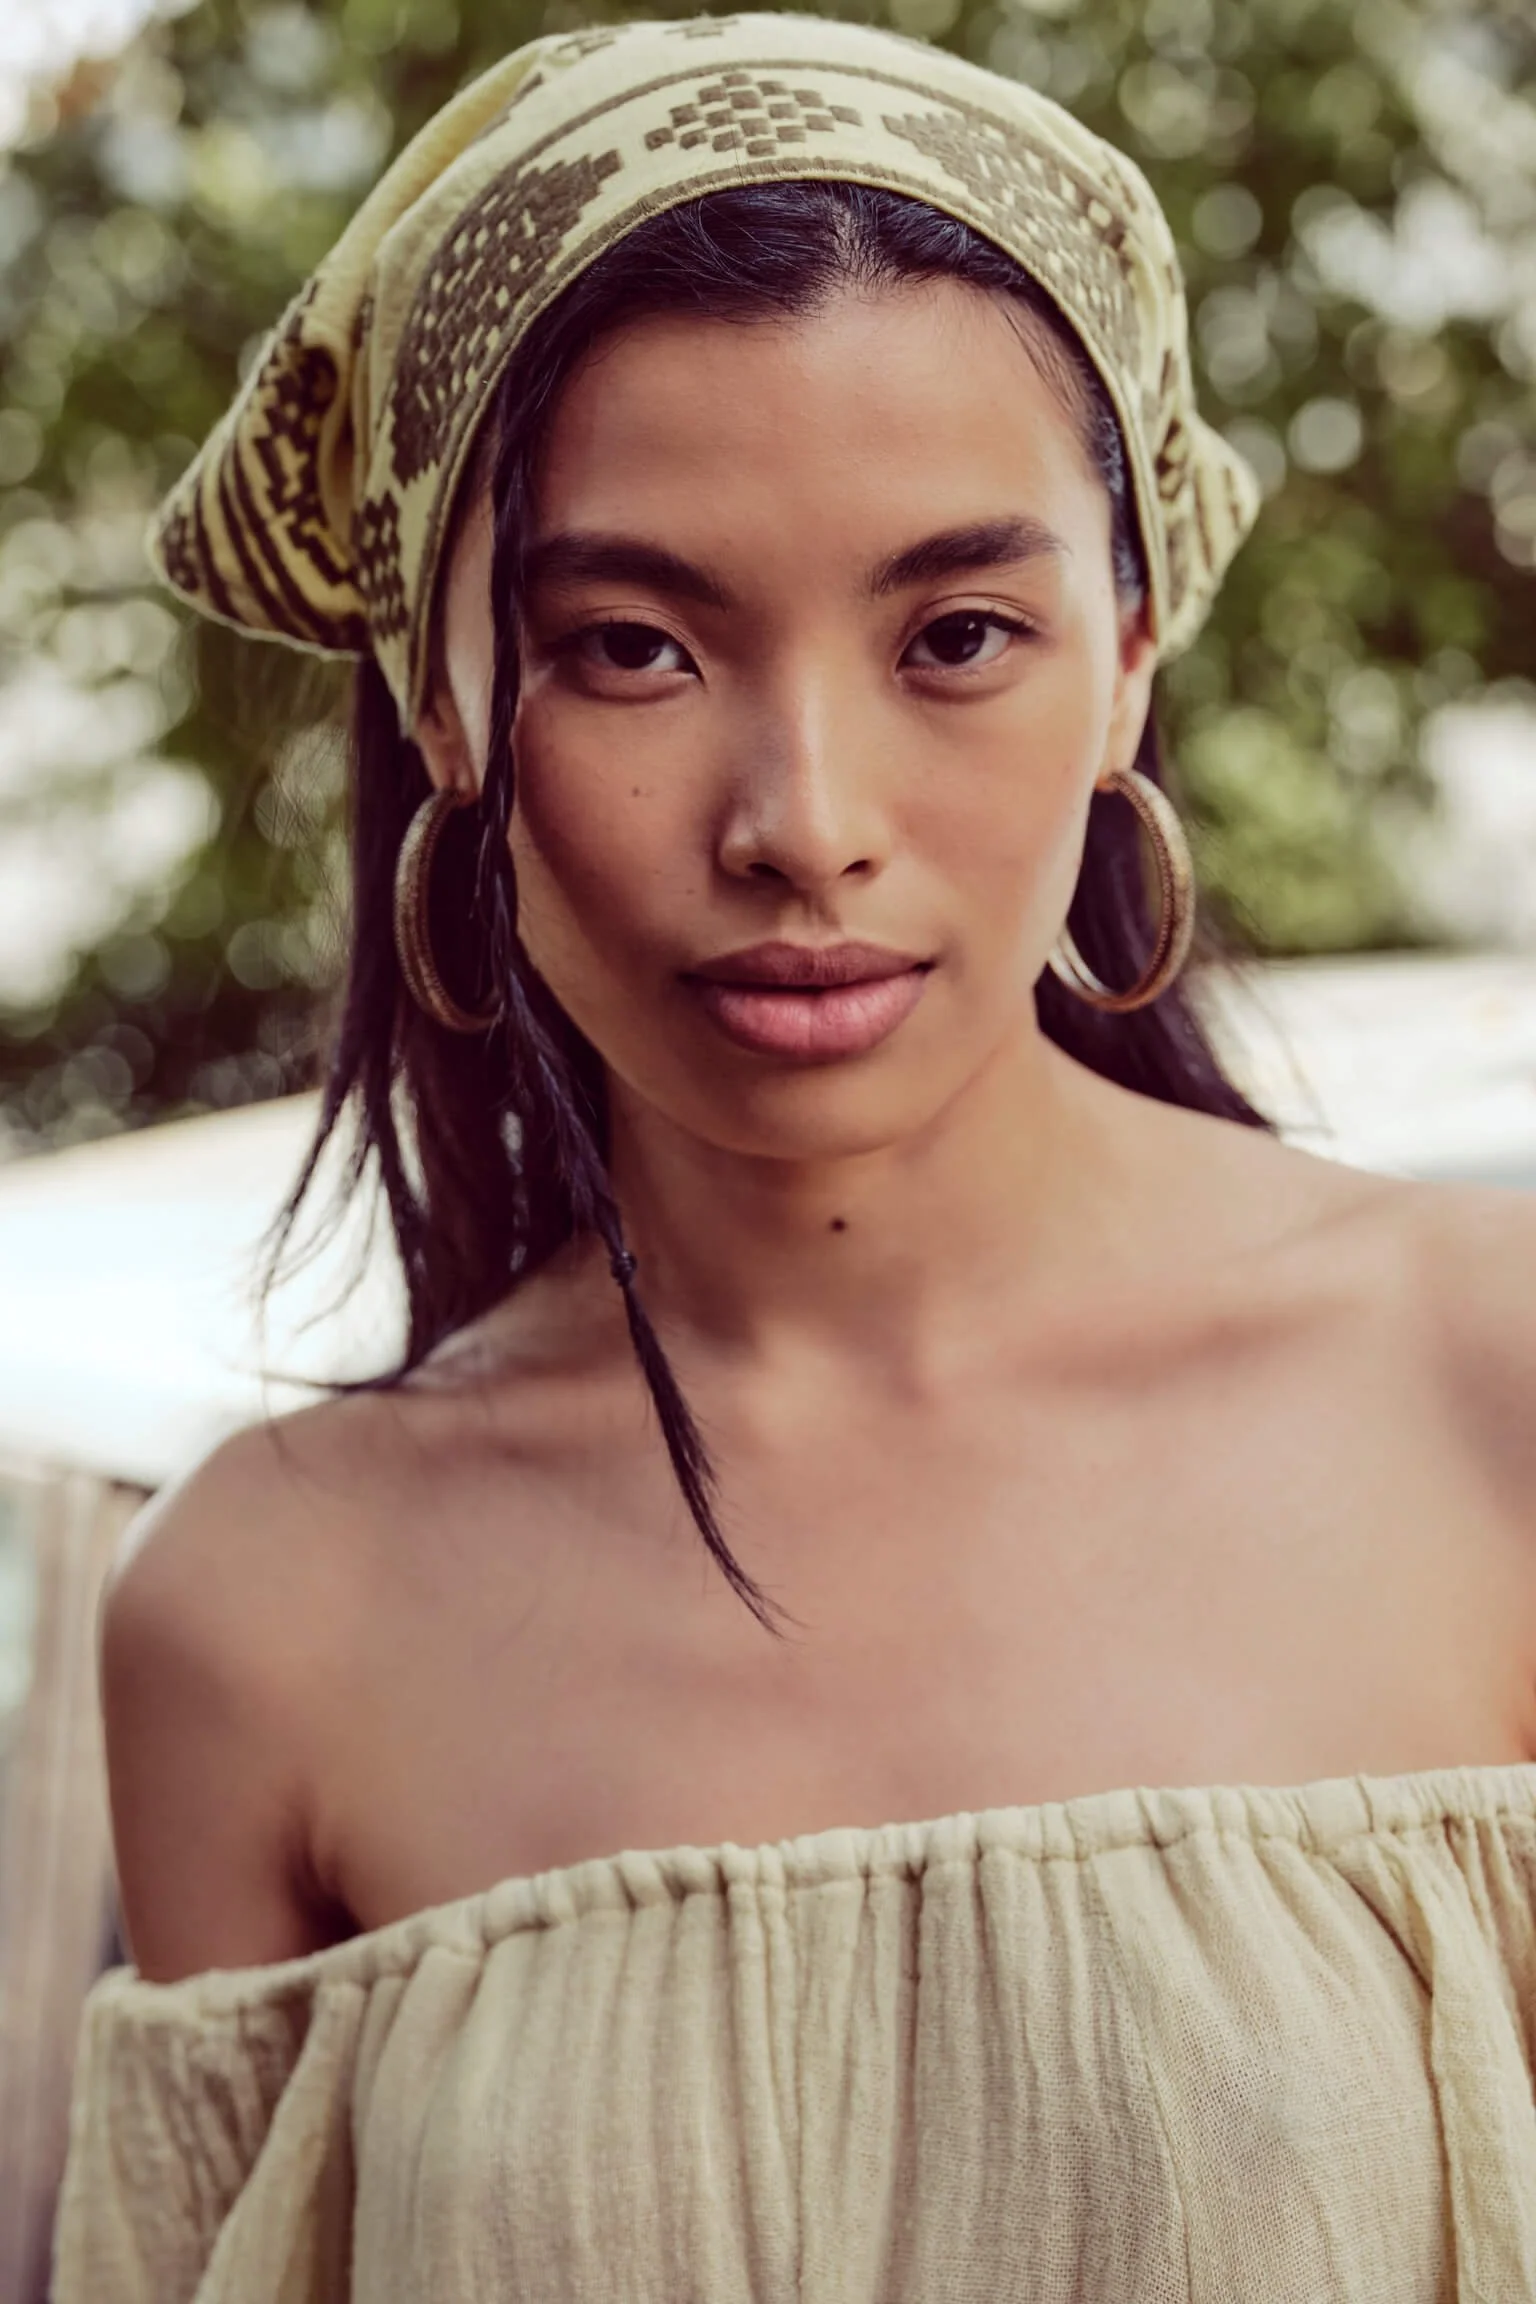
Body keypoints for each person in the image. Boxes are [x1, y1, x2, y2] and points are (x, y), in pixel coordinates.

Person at [52, 13, 1536, 2300]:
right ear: (445, 703)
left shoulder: (1488, 1399)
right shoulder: (268, 1618)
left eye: (959, 634)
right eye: (634, 648)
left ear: (1128, 652)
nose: (806, 823)